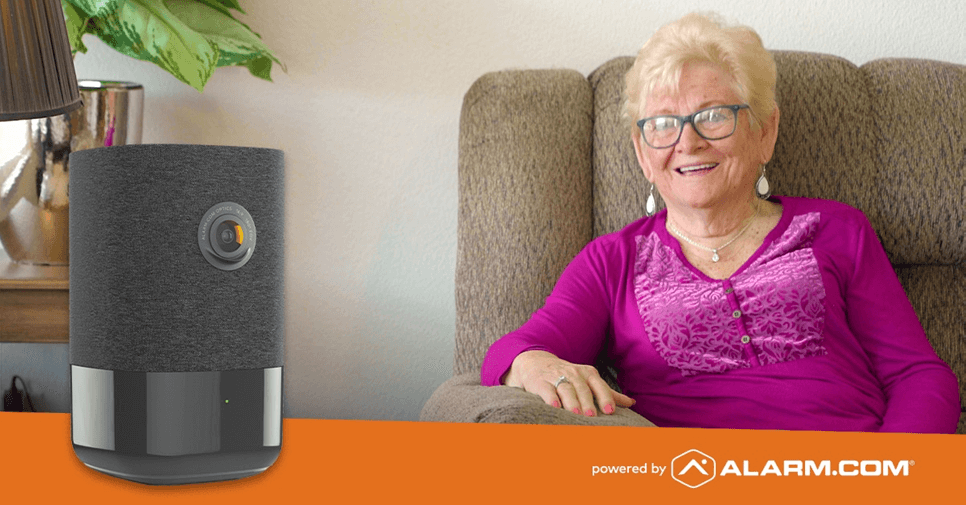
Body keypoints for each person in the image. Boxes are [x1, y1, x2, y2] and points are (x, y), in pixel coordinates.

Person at [479, 12, 960, 432]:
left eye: (712, 116)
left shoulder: (838, 230)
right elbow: (514, 351)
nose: (687, 142)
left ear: (764, 131)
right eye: (663, 124)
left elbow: (918, 376)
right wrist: (531, 362)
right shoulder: (613, 262)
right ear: (642, 153)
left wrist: (895, 476)